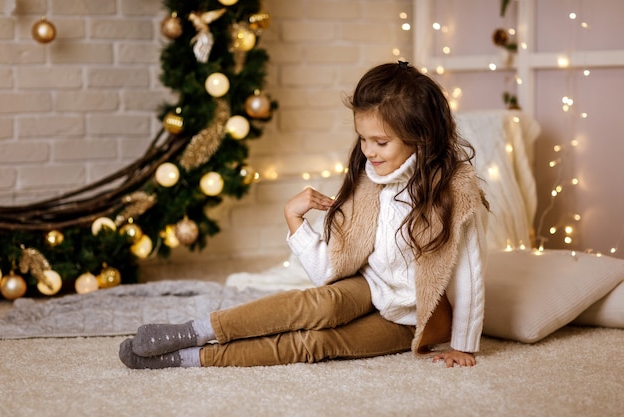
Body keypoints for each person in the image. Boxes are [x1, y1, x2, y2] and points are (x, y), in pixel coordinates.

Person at [119, 61, 489, 370]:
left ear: (421, 138)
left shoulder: (454, 192)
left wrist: (464, 344)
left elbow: (468, 275)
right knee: (318, 304)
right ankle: (191, 331)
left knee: (318, 343)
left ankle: (188, 358)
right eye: (363, 138)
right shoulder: (368, 182)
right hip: (369, 287)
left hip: (406, 319)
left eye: (381, 142)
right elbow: (328, 272)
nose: (368, 151)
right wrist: (294, 220)